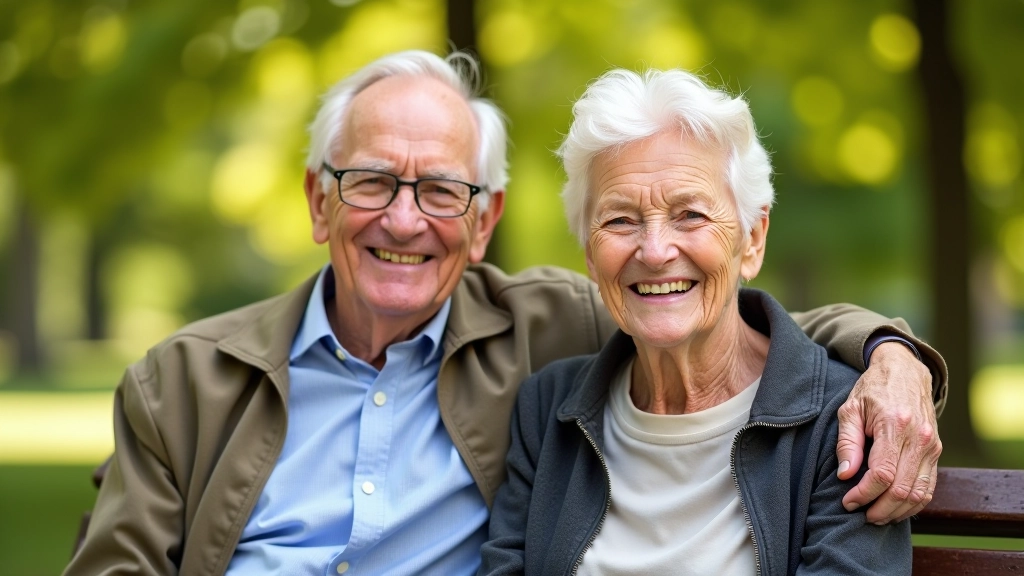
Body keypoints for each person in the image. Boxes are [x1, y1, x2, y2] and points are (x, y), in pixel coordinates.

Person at [65, 51, 944, 576]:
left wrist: (891, 353)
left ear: (484, 220)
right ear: (317, 200)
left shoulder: (549, 334)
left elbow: (735, 318)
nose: (403, 219)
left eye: (442, 191)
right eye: (370, 180)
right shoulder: (184, 379)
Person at [480, 68, 918, 575]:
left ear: (752, 239)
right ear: (589, 254)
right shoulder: (546, 410)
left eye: (690, 214)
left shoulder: (842, 422)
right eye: (619, 220)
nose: (655, 250)